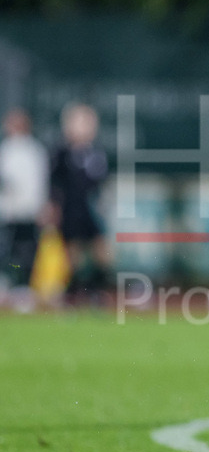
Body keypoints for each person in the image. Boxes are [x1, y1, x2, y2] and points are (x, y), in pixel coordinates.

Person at [49, 102, 112, 304]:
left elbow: (100, 183)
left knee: (101, 251)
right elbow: (54, 183)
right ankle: (73, 292)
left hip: (90, 209)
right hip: (70, 208)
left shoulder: (96, 153)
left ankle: (96, 290)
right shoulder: (62, 153)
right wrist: (53, 207)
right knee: (73, 253)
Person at [0, 108, 49, 310]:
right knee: (8, 252)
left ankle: (23, 288)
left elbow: (39, 182)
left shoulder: (34, 150)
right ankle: (8, 285)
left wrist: (41, 208)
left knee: (27, 252)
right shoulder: (6, 149)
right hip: (8, 213)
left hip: (29, 212)